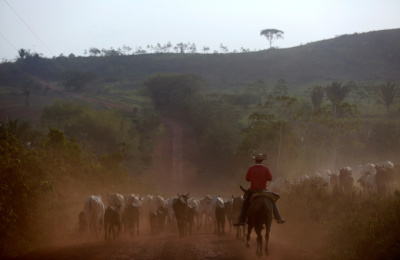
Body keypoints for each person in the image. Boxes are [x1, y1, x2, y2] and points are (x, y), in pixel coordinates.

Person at [233, 153, 286, 226]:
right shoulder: (266, 168)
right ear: (262, 161)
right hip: (264, 190)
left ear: (255, 160)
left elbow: (247, 179)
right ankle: (278, 218)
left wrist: (253, 178)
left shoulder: (251, 168)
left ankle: (242, 220)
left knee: (245, 203)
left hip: (253, 191)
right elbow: (270, 178)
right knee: (272, 202)